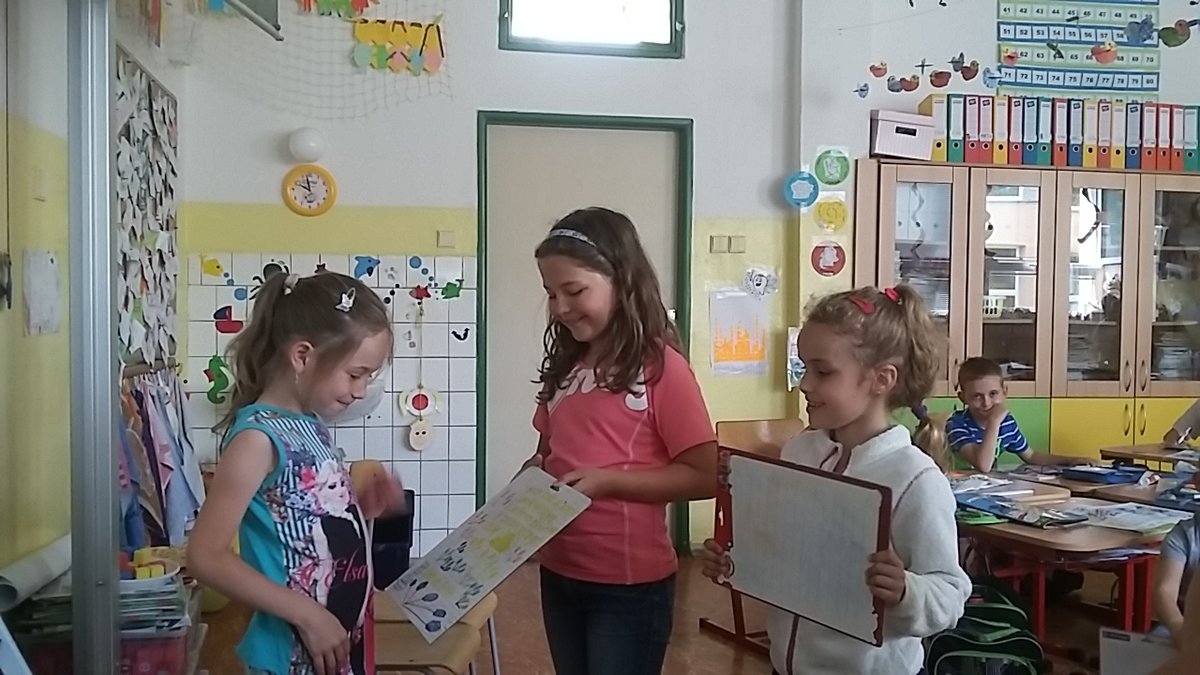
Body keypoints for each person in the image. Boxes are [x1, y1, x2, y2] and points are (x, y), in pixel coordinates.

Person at [701, 285, 971, 675]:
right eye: (804, 368)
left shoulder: (916, 480)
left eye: (823, 372)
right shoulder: (799, 451)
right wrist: (736, 556)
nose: (805, 384)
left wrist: (906, 591)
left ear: (882, 379)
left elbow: (949, 594)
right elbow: (786, 551)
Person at [519, 207, 718, 675]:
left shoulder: (661, 368)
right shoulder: (567, 367)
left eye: (574, 291)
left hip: (628, 586)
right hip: (559, 569)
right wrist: (530, 478)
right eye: (550, 293)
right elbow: (548, 453)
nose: (560, 308)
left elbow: (706, 474)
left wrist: (609, 483)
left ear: (622, 280)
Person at [186, 272, 404, 675]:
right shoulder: (257, 439)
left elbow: (302, 520)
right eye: (355, 374)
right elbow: (204, 556)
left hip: (338, 645)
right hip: (293, 656)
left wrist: (360, 509)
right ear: (303, 356)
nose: (360, 390)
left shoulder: (309, 423)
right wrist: (308, 615)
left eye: (368, 377)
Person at [947, 357, 1087, 473]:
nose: (986, 402)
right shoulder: (956, 424)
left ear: (1005, 391)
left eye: (993, 394)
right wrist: (994, 422)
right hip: (954, 489)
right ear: (963, 398)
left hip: (984, 486)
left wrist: (1071, 460)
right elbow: (983, 466)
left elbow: (1031, 455)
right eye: (977, 396)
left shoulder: (1006, 423)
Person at [1152, 515, 1200, 647]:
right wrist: (1178, 628)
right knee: (1154, 644)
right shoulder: (1185, 534)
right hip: (1186, 620)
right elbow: (1164, 591)